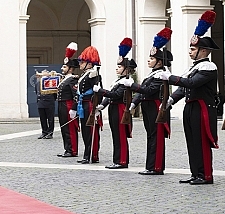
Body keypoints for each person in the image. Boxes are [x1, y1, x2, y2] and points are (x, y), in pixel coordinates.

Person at [158, 11, 219, 185]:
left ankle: (205, 174)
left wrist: (170, 78)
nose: (190, 52)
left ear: (204, 50)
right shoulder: (194, 67)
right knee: (192, 141)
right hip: (191, 107)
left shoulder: (208, 66)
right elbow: (183, 88)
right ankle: (195, 172)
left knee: (201, 141)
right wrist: (170, 100)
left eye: (193, 49)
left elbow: (192, 83)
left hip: (202, 108)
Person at [123, 28, 173, 175]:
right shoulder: (152, 74)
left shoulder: (161, 75)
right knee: (151, 136)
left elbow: (149, 90)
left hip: (155, 107)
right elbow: (143, 90)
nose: (148, 60)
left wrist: (133, 86)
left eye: (151, 59)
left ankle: (156, 167)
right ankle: (151, 165)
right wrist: (133, 103)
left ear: (159, 62)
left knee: (156, 137)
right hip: (148, 107)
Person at [94, 38, 135, 169]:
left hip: (120, 109)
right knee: (115, 135)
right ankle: (117, 159)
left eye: (120, 67)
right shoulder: (118, 81)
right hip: (113, 109)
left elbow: (116, 95)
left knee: (120, 136)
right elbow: (110, 95)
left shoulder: (126, 82)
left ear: (127, 69)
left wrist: (100, 91)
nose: (117, 69)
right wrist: (102, 105)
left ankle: (122, 161)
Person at [74, 46, 102, 164]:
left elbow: (98, 91)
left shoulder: (93, 74)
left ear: (89, 63)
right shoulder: (85, 74)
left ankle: (91, 155)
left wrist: (96, 106)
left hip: (89, 105)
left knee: (90, 131)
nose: (80, 64)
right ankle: (87, 153)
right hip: (83, 104)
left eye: (83, 62)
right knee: (85, 131)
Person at [56, 42, 80, 157]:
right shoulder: (64, 79)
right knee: (64, 127)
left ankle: (73, 150)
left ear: (70, 69)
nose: (62, 68)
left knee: (70, 128)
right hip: (62, 105)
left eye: (64, 66)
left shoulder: (72, 80)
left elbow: (76, 95)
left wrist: (74, 109)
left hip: (68, 105)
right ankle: (67, 148)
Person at [35, 70, 57, 139]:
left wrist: (52, 99)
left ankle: (50, 133)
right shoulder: (38, 82)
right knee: (42, 119)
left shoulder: (51, 82)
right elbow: (37, 91)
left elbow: (54, 93)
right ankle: (44, 132)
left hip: (49, 102)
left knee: (50, 119)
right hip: (40, 102)